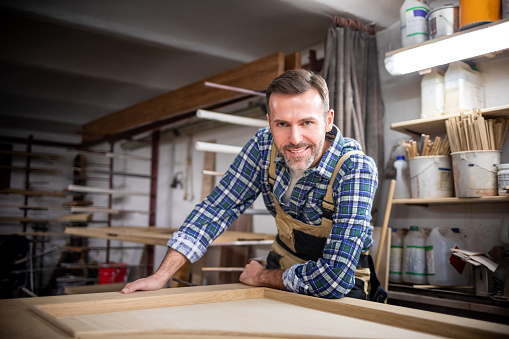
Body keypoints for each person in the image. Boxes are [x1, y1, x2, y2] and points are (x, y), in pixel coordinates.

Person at [122, 69, 386, 301]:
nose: (294, 139)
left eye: (306, 123)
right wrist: (161, 276)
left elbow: (334, 279)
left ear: (328, 121)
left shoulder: (355, 169)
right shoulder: (263, 146)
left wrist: (263, 277)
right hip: (281, 266)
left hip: (339, 288)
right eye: (282, 124)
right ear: (269, 122)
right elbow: (216, 210)